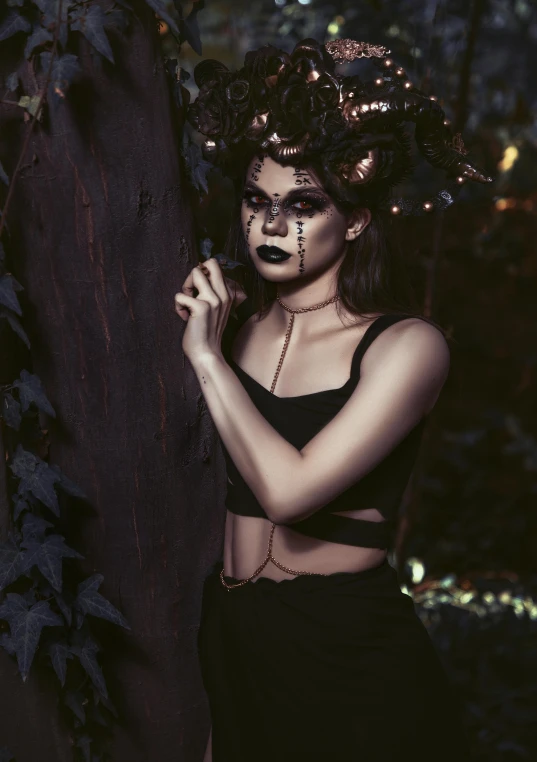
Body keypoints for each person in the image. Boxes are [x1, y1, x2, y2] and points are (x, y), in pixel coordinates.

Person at [175, 37, 492, 762]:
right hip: (233, 636)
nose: (271, 225)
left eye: (302, 205)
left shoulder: (405, 347)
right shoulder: (238, 326)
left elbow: (289, 494)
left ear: (353, 221)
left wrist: (203, 356)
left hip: (349, 654)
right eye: (256, 201)